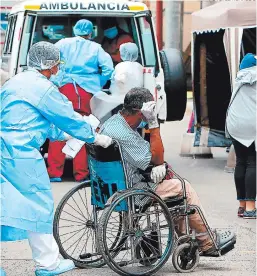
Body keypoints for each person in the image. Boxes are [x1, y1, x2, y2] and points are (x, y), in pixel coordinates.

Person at [0, 41, 112, 276]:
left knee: (3, 204)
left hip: (4, 149)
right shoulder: (44, 89)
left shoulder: (14, 82)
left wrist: (68, 133)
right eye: (57, 65)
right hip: (21, 155)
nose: (58, 70)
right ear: (48, 65)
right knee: (38, 205)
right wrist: (93, 137)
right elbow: (67, 118)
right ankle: (48, 263)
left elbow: (43, 124)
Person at [99, 87, 236, 256]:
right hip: (132, 190)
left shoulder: (111, 123)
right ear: (139, 111)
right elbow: (157, 159)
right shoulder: (125, 135)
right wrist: (153, 125)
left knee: (171, 185)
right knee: (182, 188)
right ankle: (207, 242)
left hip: (107, 187)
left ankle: (187, 238)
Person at [47, 19, 114, 183]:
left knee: (58, 129)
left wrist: (57, 78)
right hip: (85, 93)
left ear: (76, 30)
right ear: (90, 33)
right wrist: (97, 82)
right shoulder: (95, 48)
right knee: (83, 130)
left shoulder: (62, 43)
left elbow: (49, 60)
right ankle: (81, 174)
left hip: (64, 89)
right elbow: (108, 69)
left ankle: (54, 172)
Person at [226, 53, 256, 219]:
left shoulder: (238, 79)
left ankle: (242, 205)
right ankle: (251, 209)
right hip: (251, 124)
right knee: (252, 161)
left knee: (241, 161)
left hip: (235, 124)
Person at [90, 42, 143, 123]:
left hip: (121, 100)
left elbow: (120, 79)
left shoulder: (121, 66)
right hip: (136, 100)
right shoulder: (139, 66)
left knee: (97, 100)